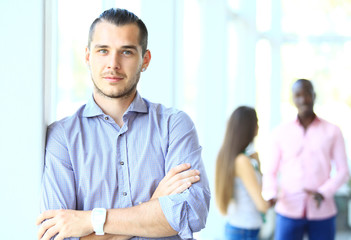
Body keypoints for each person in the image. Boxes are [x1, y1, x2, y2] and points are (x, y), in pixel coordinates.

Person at [36, 8, 210, 240]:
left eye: (126, 52)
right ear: (88, 57)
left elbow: (191, 214)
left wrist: (89, 221)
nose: (113, 64)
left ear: (145, 60)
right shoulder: (62, 137)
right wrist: (154, 205)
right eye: (103, 51)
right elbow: (58, 235)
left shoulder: (174, 125)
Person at [262, 79, 350, 240]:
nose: (303, 99)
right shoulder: (280, 132)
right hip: (288, 210)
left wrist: (324, 192)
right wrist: (270, 193)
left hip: (323, 211)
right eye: (298, 95)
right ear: (293, 99)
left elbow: (343, 171)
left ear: (314, 96)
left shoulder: (333, 131)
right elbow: (270, 171)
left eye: (307, 94)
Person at [215, 106, 271, 240]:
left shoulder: (230, 156)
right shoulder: (242, 161)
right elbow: (261, 205)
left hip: (239, 227)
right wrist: (274, 201)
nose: (258, 127)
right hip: (245, 231)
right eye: (256, 122)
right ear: (248, 128)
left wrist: (258, 166)